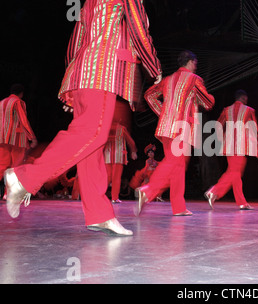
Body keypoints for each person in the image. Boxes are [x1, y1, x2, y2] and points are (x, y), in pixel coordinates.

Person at [4, 0, 162, 236]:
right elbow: (139, 29)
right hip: (102, 71)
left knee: (91, 150)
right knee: (94, 134)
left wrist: (70, 84)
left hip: (83, 72)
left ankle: (100, 214)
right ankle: (24, 178)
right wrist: (154, 66)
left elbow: (75, 43)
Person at [136, 50, 215, 216]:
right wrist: (209, 98)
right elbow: (207, 103)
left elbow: (149, 95)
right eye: (195, 63)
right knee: (174, 163)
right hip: (181, 127)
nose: (196, 66)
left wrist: (163, 112)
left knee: (178, 166)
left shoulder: (168, 80)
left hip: (166, 126)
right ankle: (148, 190)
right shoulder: (194, 79)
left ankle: (178, 207)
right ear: (190, 62)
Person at [204, 89, 258, 210]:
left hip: (228, 145)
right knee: (235, 173)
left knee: (235, 174)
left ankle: (240, 202)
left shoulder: (226, 110)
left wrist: (223, 139)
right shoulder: (249, 110)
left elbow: (218, 126)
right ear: (244, 98)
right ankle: (214, 191)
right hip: (240, 146)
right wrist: (257, 147)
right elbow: (254, 129)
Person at [0, 84, 38, 181]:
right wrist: (32, 138)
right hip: (17, 139)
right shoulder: (18, 102)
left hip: (2, 139)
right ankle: (9, 193)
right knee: (16, 166)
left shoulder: (2, 102)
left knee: (2, 165)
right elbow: (23, 120)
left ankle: (7, 192)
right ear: (21, 94)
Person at [104, 122, 137, 204]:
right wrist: (133, 151)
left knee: (107, 176)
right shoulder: (121, 128)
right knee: (116, 177)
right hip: (118, 155)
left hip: (107, 155)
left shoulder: (105, 127)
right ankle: (114, 198)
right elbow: (130, 141)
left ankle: (98, 195)